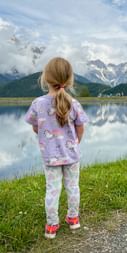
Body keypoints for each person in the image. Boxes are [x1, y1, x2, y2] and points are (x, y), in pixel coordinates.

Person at [25, 57, 89, 239]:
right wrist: (76, 143)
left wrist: (43, 133)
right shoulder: (74, 103)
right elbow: (80, 127)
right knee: (73, 187)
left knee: (52, 190)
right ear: (69, 80)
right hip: (71, 155)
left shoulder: (38, 103)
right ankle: (73, 219)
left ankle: (52, 226)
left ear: (45, 78)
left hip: (50, 156)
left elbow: (35, 126)